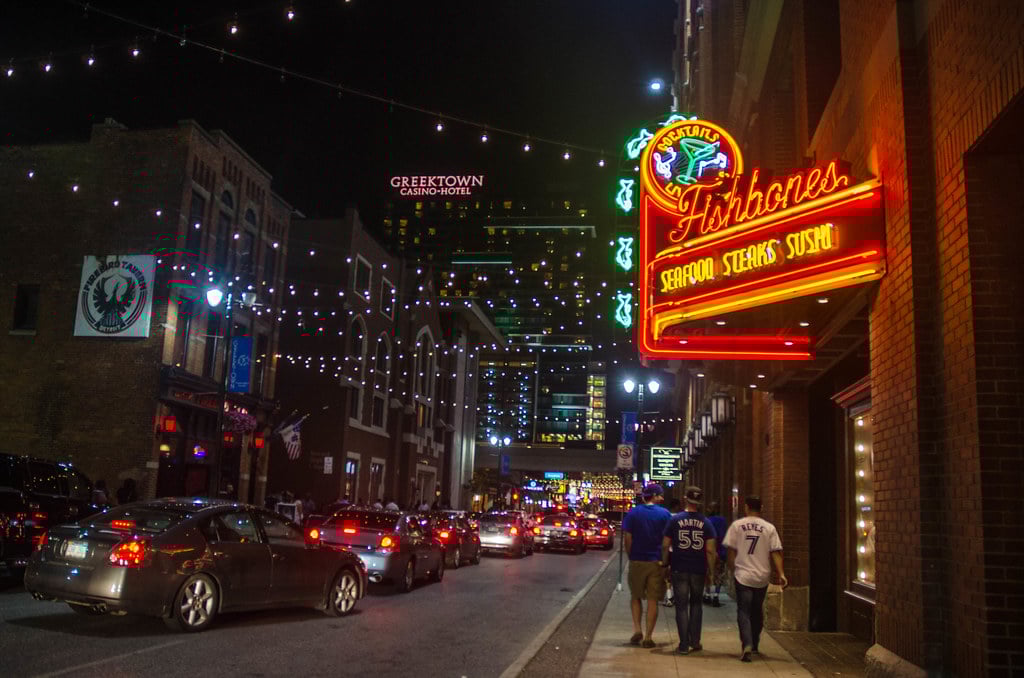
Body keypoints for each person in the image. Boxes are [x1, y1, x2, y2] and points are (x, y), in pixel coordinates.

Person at [723, 495, 788, 662]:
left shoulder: (737, 526)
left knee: (743, 611)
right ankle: (755, 643)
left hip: (743, 575)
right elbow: (776, 552)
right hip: (762, 576)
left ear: (745, 507)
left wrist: (732, 568)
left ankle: (747, 644)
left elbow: (731, 550)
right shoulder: (769, 528)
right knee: (756, 610)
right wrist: (781, 574)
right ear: (762, 508)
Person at [661, 486, 717, 655]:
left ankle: (683, 644)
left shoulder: (675, 520)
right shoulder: (706, 523)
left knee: (681, 606)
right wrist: (711, 571)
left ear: (686, 499)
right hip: (698, 568)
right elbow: (710, 550)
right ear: (700, 502)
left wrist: (665, 564)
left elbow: (665, 545)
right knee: (696, 605)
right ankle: (695, 641)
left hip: (679, 567)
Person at [622, 483, 671, 649]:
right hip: (656, 561)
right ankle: (648, 636)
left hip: (637, 560)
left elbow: (627, 538)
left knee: (635, 596)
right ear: (655, 496)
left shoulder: (633, 513)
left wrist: (631, 555)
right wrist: (665, 561)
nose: (662, 498)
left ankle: (637, 629)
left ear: (644, 496)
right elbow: (666, 542)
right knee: (652, 600)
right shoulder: (665, 514)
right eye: (661, 495)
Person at [704, 501, 728, 607]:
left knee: (708, 573)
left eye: (710, 508)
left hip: (709, 552)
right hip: (721, 552)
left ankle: (707, 594)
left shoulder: (707, 521)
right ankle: (716, 596)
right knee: (719, 575)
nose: (708, 509)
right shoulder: (723, 521)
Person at [661, 497, 682, 608]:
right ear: (677, 506)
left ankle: (669, 597)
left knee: (667, 575)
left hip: (668, 550)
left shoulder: (666, 518)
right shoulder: (681, 518)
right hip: (679, 551)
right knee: (677, 575)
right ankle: (676, 596)